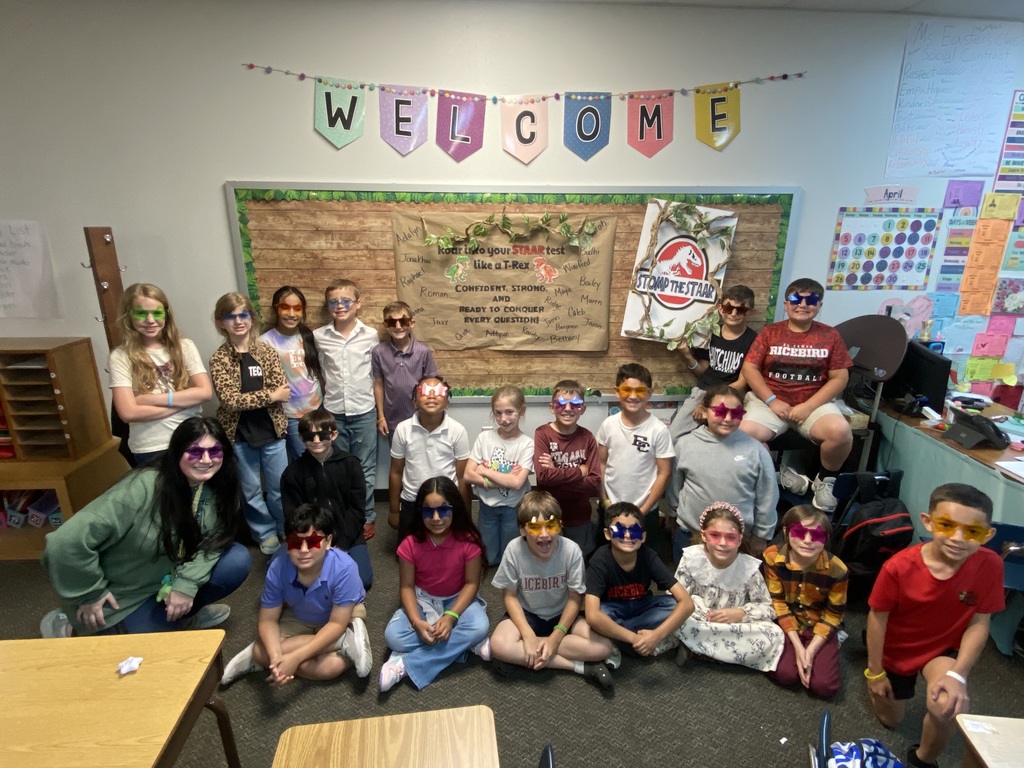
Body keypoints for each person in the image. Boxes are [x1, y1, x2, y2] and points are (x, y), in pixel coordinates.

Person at [40, 417, 251, 638]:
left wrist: (186, 585)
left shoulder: (220, 485)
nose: (206, 460)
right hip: (122, 593)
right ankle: (67, 625)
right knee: (145, 659)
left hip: (168, 579)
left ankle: (184, 612)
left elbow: (215, 540)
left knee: (236, 560)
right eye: (195, 452)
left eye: (214, 451)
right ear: (177, 452)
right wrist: (88, 594)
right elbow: (64, 543)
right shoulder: (142, 487)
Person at [865, 484, 1004, 768]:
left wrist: (959, 676)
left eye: (972, 532)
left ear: (987, 535)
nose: (958, 538)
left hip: (942, 649)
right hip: (898, 649)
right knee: (892, 720)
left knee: (947, 708)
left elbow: (980, 622)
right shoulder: (898, 567)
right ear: (928, 521)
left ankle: (922, 760)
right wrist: (875, 671)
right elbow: (877, 617)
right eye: (947, 525)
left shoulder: (990, 564)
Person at [219, 502, 372, 686]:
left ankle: (344, 637)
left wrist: (295, 658)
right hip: (300, 613)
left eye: (314, 542)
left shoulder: (345, 568)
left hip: (341, 616)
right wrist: (277, 659)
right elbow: (268, 620)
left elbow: (336, 623)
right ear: (287, 543)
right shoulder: (278, 568)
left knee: (331, 667)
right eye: (295, 543)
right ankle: (342, 643)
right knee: (264, 653)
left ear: (329, 542)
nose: (304, 550)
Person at [739, 277, 854, 513]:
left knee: (841, 432)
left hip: (813, 403)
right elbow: (749, 369)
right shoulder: (770, 333)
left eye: (811, 299)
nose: (802, 304)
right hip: (770, 401)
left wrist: (809, 406)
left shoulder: (830, 335)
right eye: (795, 299)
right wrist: (772, 400)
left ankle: (825, 481)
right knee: (742, 436)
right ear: (786, 303)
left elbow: (840, 378)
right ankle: (777, 475)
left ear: (819, 305)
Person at [488, 491, 615, 688]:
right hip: (527, 614)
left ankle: (525, 654)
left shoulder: (571, 550)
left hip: (562, 615)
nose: (545, 534)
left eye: (551, 526)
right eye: (535, 527)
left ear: (560, 526)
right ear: (522, 530)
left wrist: (556, 637)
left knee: (604, 647)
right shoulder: (514, 549)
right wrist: (528, 635)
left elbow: (575, 598)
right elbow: (510, 596)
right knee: (497, 644)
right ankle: (578, 667)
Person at [379, 477, 490, 692]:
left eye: (443, 510)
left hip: (457, 600)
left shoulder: (468, 540)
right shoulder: (410, 544)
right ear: (420, 512)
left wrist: (451, 617)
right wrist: (416, 621)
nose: (436, 518)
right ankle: (464, 646)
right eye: (428, 511)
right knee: (393, 637)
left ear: (454, 509)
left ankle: (405, 664)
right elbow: (406, 588)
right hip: (423, 599)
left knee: (480, 626)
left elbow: (470, 584)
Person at [209, 292, 291, 555]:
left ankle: (282, 527)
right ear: (221, 322)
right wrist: (269, 396)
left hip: (272, 432)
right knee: (251, 491)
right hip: (239, 435)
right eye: (230, 316)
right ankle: (264, 533)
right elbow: (231, 401)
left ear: (252, 318)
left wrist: (268, 397)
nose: (238, 321)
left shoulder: (266, 352)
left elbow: (283, 392)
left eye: (243, 314)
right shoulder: (219, 359)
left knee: (279, 488)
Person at [108, 283, 213, 464]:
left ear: (166, 314)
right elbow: (128, 412)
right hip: (151, 447)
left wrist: (148, 400)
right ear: (129, 316)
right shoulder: (120, 356)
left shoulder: (184, 347)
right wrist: (186, 404)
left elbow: (205, 392)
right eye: (142, 313)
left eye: (156, 313)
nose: (150, 320)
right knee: (162, 492)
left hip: (191, 438)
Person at [674, 502, 784, 671]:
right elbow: (675, 598)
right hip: (700, 620)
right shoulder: (691, 559)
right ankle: (718, 652)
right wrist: (699, 610)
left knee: (774, 634)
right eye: (715, 535)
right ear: (703, 535)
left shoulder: (749, 568)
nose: (723, 543)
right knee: (674, 615)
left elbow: (768, 609)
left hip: (735, 625)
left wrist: (740, 613)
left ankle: (697, 649)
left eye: (730, 537)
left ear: (740, 539)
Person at [672, 386, 778, 561]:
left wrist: (762, 534)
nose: (728, 419)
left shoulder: (756, 450)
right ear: (705, 412)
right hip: (690, 534)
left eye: (735, 413)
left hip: (736, 539)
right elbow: (675, 486)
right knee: (687, 585)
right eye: (720, 411)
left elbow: (768, 495)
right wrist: (671, 512)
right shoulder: (685, 445)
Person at [314, 279, 380, 541]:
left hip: (364, 410)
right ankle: (340, 515)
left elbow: (376, 375)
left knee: (365, 467)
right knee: (335, 466)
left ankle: (366, 516)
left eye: (346, 301)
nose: (340, 306)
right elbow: (319, 374)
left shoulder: (371, 335)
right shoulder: (319, 337)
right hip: (333, 413)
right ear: (328, 306)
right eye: (333, 302)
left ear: (358, 304)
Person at [584, 502, 693, 661]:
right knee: (598, 615)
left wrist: (655, 636)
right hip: (614, 610)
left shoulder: (648, 556)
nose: (627, 536)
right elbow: (593, 615)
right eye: (619, 530)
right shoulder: (600, 559)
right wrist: (634, 638)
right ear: (608, 534)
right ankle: (635, 638)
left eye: (634, 531)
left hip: (641, 607)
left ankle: (619, 638)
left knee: (674, 606)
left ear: (643, 536)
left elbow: (687, 603)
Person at [280, 409, 373, 589]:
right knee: (284, 576)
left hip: (348, 534)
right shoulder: (292, 473)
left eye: (322, 435)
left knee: (363, 580)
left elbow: (357, 510)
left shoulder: (351, 464)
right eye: (309, 436)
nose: (316, 441)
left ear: (334, 435)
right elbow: (293, 516)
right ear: (301, 438)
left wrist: (342, 544)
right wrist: (315, 546)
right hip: (309, 538)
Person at [763, 504, 848, 699]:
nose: (808, 541)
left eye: (817, 536)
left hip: (818, 624)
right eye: (800, 533)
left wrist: (810, 650)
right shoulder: (772, 556)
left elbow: (834, 614)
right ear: (786, 532)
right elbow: (778, 602)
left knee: (825, 686)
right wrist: (798, 646)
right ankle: (796, 649)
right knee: (785, 675)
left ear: (825, 538)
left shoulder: (838, 570)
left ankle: (831, 643)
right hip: (787, 622)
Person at [669, 285, 758, 441]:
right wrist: (686, 355)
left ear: (751, 312)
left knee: (726, 440)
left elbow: (742, 383)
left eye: (741, 310)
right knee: (674, 435)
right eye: (729, 308)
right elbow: (703, 371)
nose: (734, 313)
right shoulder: (710, 333)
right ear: (721, 309)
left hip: (732, 397)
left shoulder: (754, 340)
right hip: (703, 392)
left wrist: (708, 402)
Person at [388, 375, 471, 537]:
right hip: (412, 500)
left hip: (446, 502)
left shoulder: (457, 430)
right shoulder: (402, 429)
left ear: (447, 402)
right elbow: (396, 472)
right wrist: (393, 510)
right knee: (408, 554)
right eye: (425, 391)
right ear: (414, 401)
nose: (432, 395)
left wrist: (466, 514)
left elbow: (462, 477)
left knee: (447, 553)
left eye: (439, 392)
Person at [464, 385, 534, 566]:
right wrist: (503, 480)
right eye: (498, 413)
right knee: (488, 557)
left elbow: (517, 483)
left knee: (511, 555)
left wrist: (485, 471)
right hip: (487, 507)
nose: (504, 419)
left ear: (522, 411)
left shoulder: (527, 444)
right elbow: (468, 475)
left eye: (510, 412)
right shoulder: (485, 438)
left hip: (514, 507)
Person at [533, 380, 602, 557]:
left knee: (579, 559)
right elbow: (543, 478)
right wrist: (580, 472)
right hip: (549, 513)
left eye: (576, 404)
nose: (568, 408)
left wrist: (556, 475)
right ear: (551, 407)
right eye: (561, 403)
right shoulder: (543, 434)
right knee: (548, 558)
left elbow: (594, 483)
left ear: (583, 409)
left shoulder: (587, 437)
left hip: (579, 515)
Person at [597, 363, 674, 518]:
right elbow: (601, 464)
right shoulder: (608, 424)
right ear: (617, 392)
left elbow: (664, 474)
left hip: (644, 511)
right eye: (626, 390)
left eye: (640, 391)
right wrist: (604, 500)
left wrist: (643, 511)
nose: (633, 396)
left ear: (650, 393)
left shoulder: (658, 430)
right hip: (610, 507)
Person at [259, 286, 325, 462]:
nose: (291, 313)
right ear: (276, 308)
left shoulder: (309, 336)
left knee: (320, 456)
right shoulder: (264, 342)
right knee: (304, 459)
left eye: (297, 308)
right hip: (290, 414)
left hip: (317, 408)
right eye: (285, 307)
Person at [371, 300, 438, 439]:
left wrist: (431, 415)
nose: (398, 326)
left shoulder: (423, 351)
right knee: (397, 459)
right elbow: (378, 383)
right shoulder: (379, 352)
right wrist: (381, 417)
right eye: (392, 322)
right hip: (391, 420)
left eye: (403, 321)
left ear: (411, 323)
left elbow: (432, 383)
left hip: (420, 419)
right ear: (385, 325)